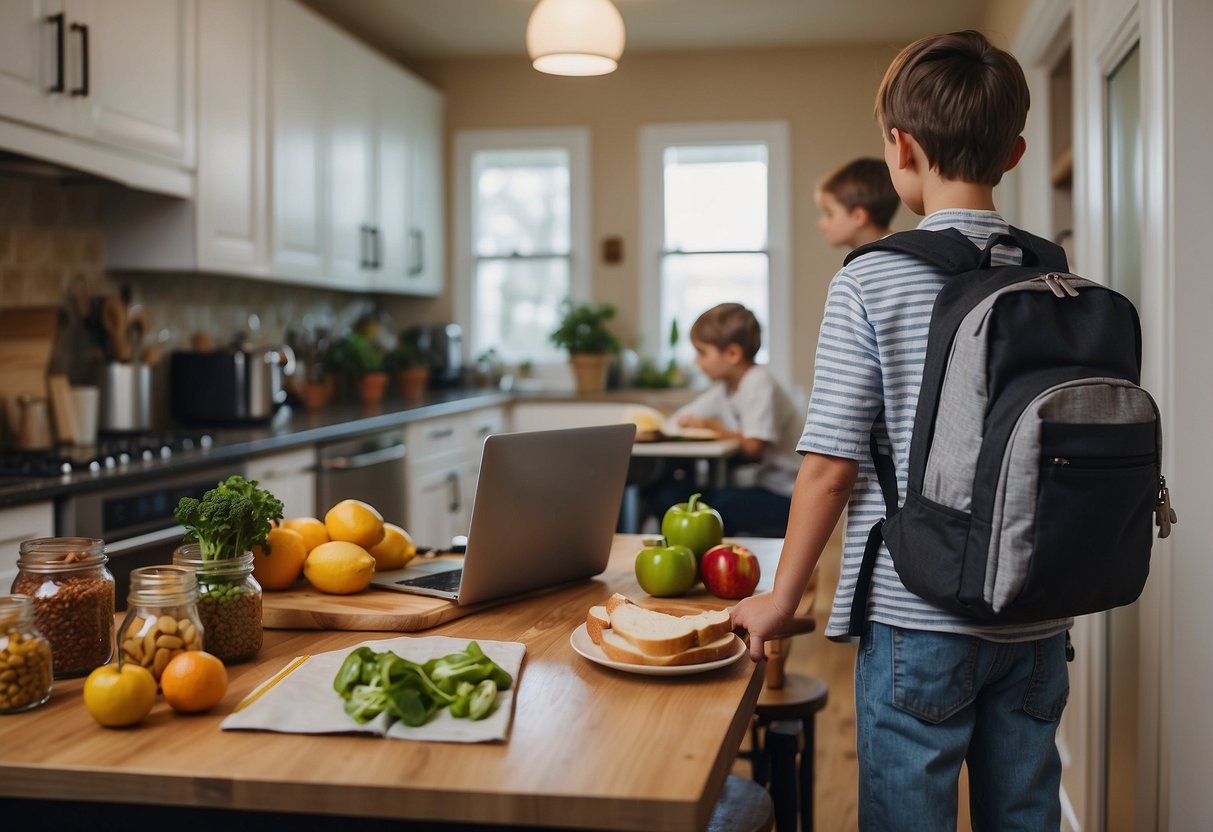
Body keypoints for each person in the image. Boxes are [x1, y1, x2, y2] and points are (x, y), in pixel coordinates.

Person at [731, 30, 1072, 831]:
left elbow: (828, 467)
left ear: (898, 145)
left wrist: (783, 599)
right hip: (1038, 605)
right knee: (1025, 812)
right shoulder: (1051, 274)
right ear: (1015, 152)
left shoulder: (872, 277)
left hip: (916, 608)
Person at [646, 303, 801, 537]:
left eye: (702, 353)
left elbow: (754, 446)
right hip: (766, 485)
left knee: (717, 504)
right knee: (671, 492)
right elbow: (683, 417)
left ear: (732, 354)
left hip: (788, 496)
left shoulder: (758, 382)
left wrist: (713, 428)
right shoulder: (725, 389)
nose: (697, 362)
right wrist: (651, 429)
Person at [815, 156, 900, 250]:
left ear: (858, 217)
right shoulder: (898, 247)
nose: (822, 224)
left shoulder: (883, 256)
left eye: (829, 214)